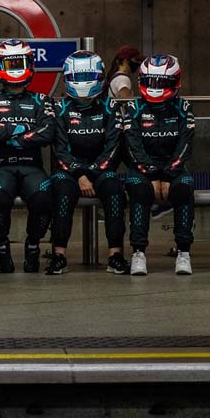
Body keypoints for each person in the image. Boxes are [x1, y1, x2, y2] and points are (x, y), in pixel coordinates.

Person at [0, 39, 56, 273]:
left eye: (19, 62)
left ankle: (33, 245)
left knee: (43, 196)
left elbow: (48, 133)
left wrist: (7, 135)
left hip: (32, 165)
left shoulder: (41, 99)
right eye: (9, 63)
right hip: (1, 166)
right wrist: (22, 131)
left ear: (30, 63)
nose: (14, 68)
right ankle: (2, 247)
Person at [45, 51, 127, 276]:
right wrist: (80, 175)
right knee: (62, 193)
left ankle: (116, 255)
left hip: (101, 170)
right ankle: (59, 255)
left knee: (114, 189)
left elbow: (113, 148)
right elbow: (59, 150)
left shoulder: (110, 108)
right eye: (77, 77)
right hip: (69, 172)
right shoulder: (59, 110)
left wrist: (90, 173)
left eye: (88, 76)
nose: (82, 82)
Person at [122, 54, 197, 276]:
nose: (155, 87)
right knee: (139, 188)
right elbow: (132, 146)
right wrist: (153, 175)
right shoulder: (134, 107)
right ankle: (138, 253)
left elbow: (186, 145)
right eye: (151, 81)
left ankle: (184, 252)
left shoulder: (183, 107)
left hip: (174, 168)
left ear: (175, 81)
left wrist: (167, 175)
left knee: (184, 187)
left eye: (161, 82)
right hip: (142, 169)